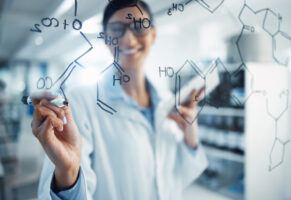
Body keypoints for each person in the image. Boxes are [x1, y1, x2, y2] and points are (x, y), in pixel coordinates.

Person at [31, 0, 208, 199]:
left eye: (139, 27)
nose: (129, 40)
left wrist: (190, 139)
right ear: (106, 38)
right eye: (117, 30)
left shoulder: (167, 103)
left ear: (153, 34)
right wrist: (68, 173)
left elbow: (175, 177)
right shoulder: (79, 103)